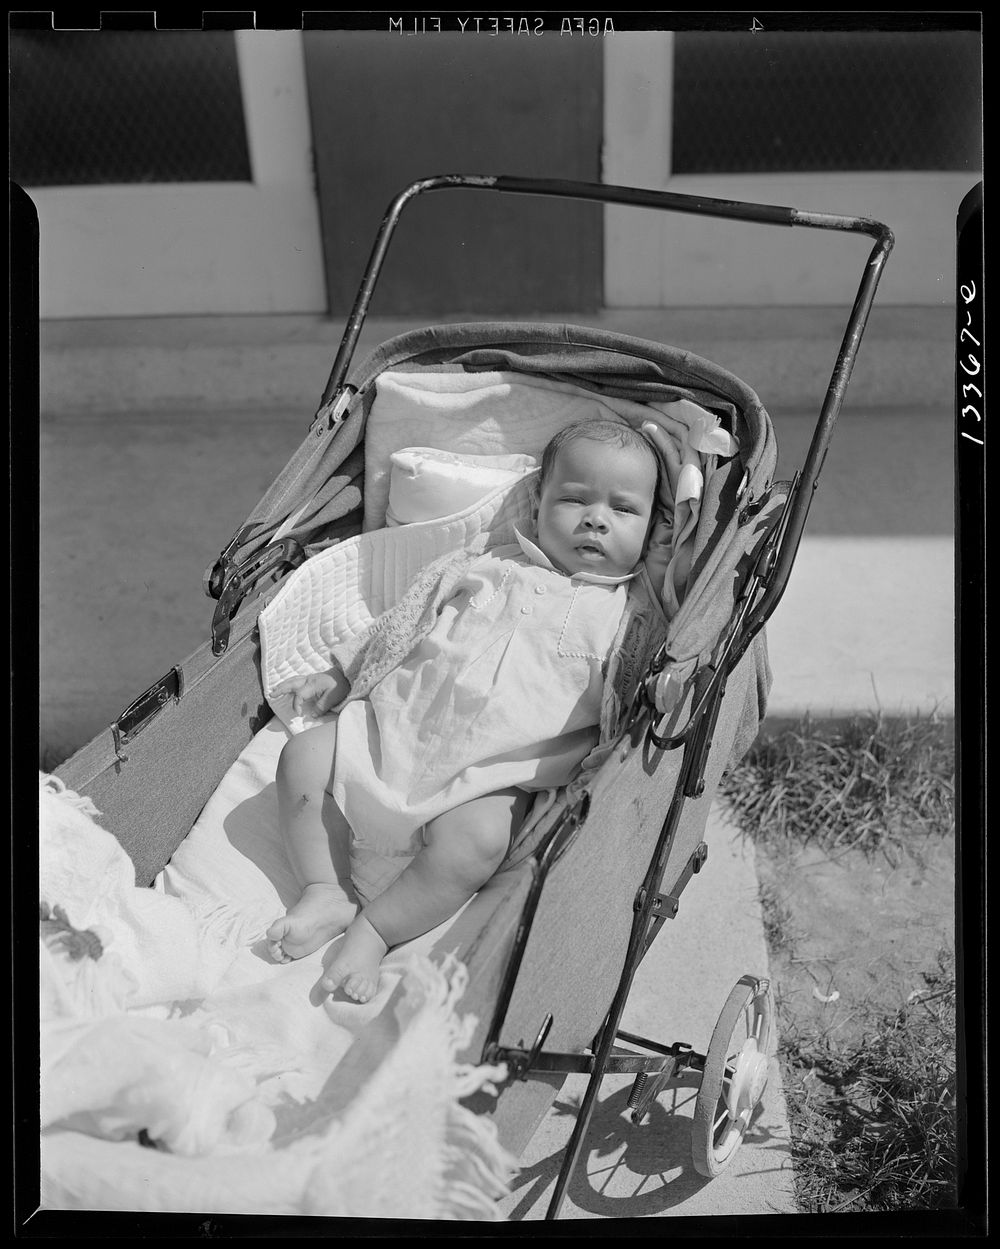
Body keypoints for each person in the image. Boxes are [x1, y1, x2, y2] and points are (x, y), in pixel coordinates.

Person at [266, 419, 664, 1002]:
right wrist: (341, 673)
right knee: (301, 756)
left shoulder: (629, 619)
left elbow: (634, 698)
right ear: (537, 502)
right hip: (389, 734)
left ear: (653, 530)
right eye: (574, 499)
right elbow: (401, 623)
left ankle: (377, 930)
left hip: (487, 779)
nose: (595, 519)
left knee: (476, 844)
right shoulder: (484, 566)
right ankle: (327, 888)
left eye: (622, 510)